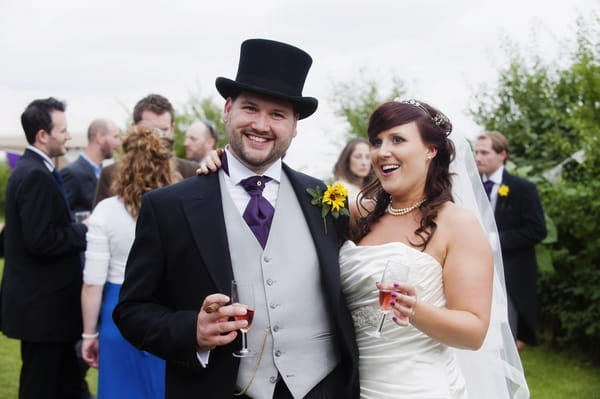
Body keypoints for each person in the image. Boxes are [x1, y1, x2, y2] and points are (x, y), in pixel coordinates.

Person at [113, 38, 359, 399]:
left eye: (277, 114)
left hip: (322, 388)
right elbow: (132, 311)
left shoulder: (323, 199)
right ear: (227, 110)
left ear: (295, 126)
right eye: (250, 108)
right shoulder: (168, 207)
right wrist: (190, 331)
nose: (261, 124)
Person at [339, 99, 529, 398]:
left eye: (397, 139)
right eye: (377, 141)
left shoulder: (458, 224)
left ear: (431, 150)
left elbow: (474, 331)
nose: (381, 151)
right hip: (350, 386)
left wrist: (416, 310)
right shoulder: (358, 214)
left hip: (418, 389)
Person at [81, 124, 180, 399]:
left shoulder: (105, 211)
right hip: (166, 315)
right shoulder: (179, 206)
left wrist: (89, 335)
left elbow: (92, 283)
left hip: (118, 314)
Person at [0, 97, 88, 399]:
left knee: (69, 383)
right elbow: (40, 241)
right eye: (62, 130)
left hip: (48, 311)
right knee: (40, 386)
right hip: (43, 312)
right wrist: (83, 230)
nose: (67, 136)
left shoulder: (32, 169)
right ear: (42, 135)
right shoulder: (35, 174)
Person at [475, 131, 547, 352]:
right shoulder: (470, 188)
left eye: (485, 152)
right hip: (476, 271)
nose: (478, 157)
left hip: (511, 274)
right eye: (476, 152)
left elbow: (537, 230)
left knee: (506, 337)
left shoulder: (523, 188)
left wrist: (496, 240)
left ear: (502, 154)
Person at [92, 94, 198, 207]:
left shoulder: (190, 172)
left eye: (163, 130)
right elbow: (101, 220)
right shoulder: (110, 173)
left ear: (172, 129)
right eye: (149, 130)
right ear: (134, 128)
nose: (156, 137)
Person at [60, 118, 122, 213]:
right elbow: (60, 214)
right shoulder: (72, 173)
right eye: (115, 137)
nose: (119, 143)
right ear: (100, 137)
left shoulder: (107, 173)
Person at [332, 137, 372, 202]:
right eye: (358, 157)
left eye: (368, 157)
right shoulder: (341, 188)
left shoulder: (374, 190)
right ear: (347, 160)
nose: (364, 162)